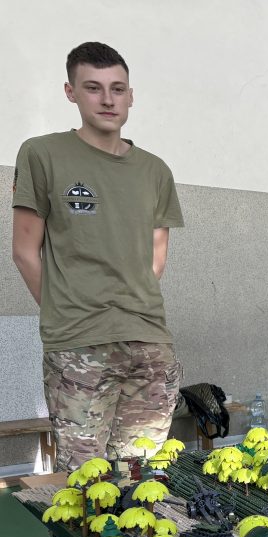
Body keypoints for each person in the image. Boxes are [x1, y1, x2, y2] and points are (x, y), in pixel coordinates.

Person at [12, 42, 184, 471]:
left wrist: (131, 307)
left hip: (148, 341)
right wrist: (65, 311)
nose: (108, 99)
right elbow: (24, 251)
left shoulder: (155, 170)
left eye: (117, 89)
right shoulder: (42, 154)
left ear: (131, 96)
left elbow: (155, 258)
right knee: (85, 478)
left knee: (142, 474)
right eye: (93, 88)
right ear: (71, 92)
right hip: (78, 344)